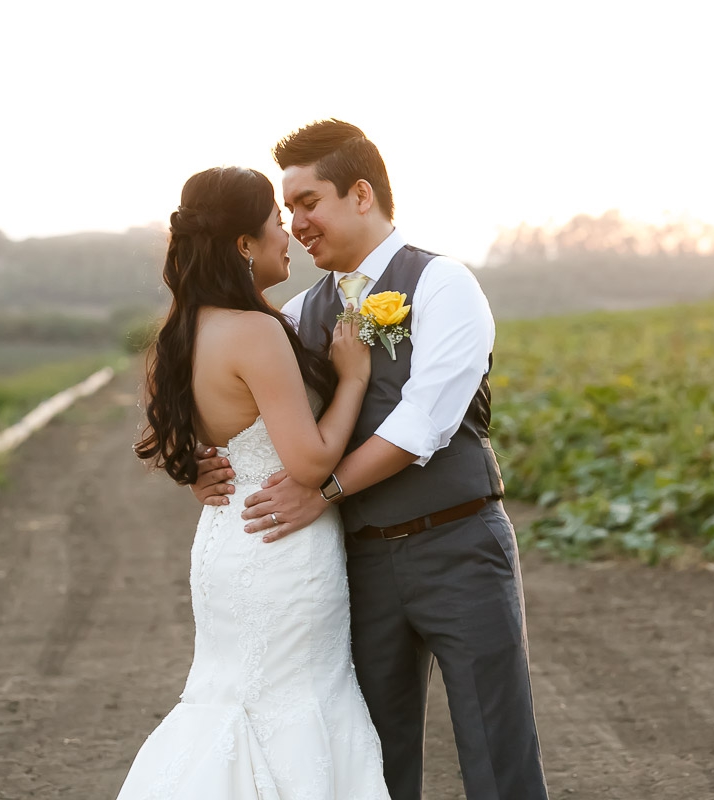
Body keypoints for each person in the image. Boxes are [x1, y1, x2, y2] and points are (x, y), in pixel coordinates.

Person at [191, 119, 550, 800]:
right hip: (355, 565)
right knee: (370, 762)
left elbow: (425, 422)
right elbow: (251, 414)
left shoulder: (444, 284)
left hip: (458, 542)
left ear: (361, 194)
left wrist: (321, 491)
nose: (295, 223)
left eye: (307, 202)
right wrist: (204, 465)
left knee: (495, 745)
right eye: (287, 209)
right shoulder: (297, 316)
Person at [118, 166, 390, 799]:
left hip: (225, 540)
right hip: (279, 546)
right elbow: (310, 463)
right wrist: (351, 377)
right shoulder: (256, 331)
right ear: (244, 244)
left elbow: (193, 447)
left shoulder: (181, 334)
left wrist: (199, 478)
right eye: (274, 223)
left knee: (234, 698)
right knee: (291, 703)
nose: (287, 235)